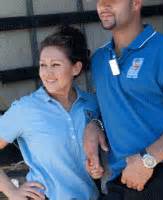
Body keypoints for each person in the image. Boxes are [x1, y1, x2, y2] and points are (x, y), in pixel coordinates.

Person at [84, 0, 163, 199]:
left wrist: (148, 159)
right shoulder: (99, 60)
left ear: (136, 3)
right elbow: (117, 106)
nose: (103, 5)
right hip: (123, 179)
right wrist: (95, 124)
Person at [0, 26, 99, 200]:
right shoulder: (25, 109)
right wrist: (11, 191)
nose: (47, 73)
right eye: (43, 65)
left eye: (55, 65)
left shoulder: (92, 104)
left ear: (76, 68)